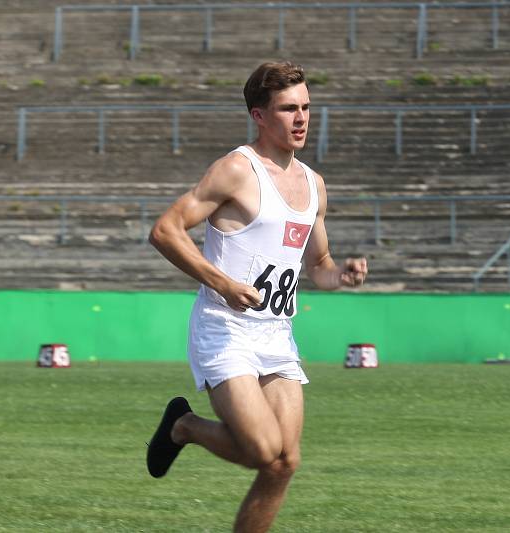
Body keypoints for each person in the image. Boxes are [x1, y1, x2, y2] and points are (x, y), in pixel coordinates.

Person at [145, 61, 367, 532]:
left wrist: (341, 274)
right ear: (259, 116)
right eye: (289, 108)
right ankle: (183, 426)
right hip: (225, 331)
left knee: (283, 463)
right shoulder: (236, 170)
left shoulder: (314, 185)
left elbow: (319, 268)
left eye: (307, 107)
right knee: (263, 449)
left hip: (276, 334)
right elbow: (165, 230)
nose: (302, 118)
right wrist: (222, 283)